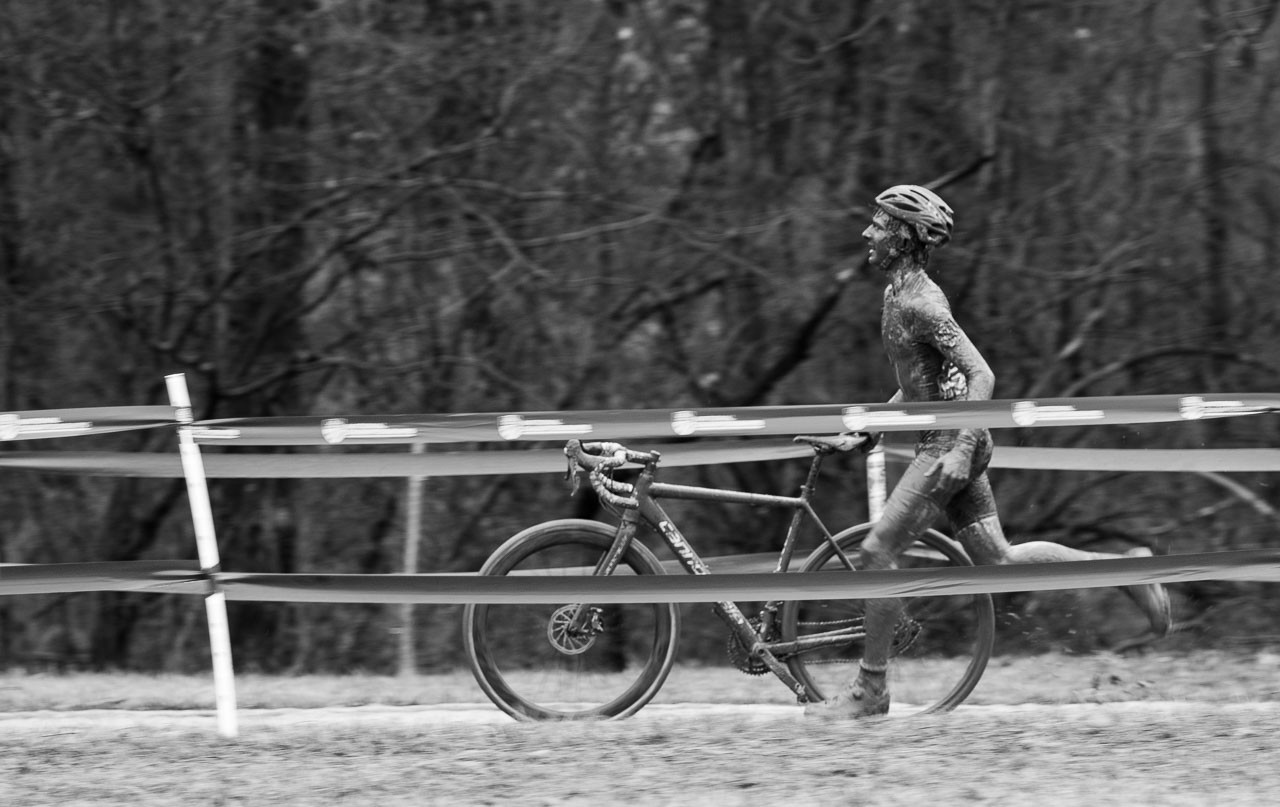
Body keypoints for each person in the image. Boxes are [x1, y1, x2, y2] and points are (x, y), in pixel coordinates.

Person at [805, 184, 1172, 720]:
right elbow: (921, 382)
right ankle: (1126, 571)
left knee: (876, 554)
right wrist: (868, 431)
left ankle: (871, 690)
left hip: (948, 448)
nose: (869, 232)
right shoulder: (895, 296)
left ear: (905, 239)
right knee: (999, 561)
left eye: (880, 225)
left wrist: (962, 447)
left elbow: (982, 373)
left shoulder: (921, 300)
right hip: (951, 442)